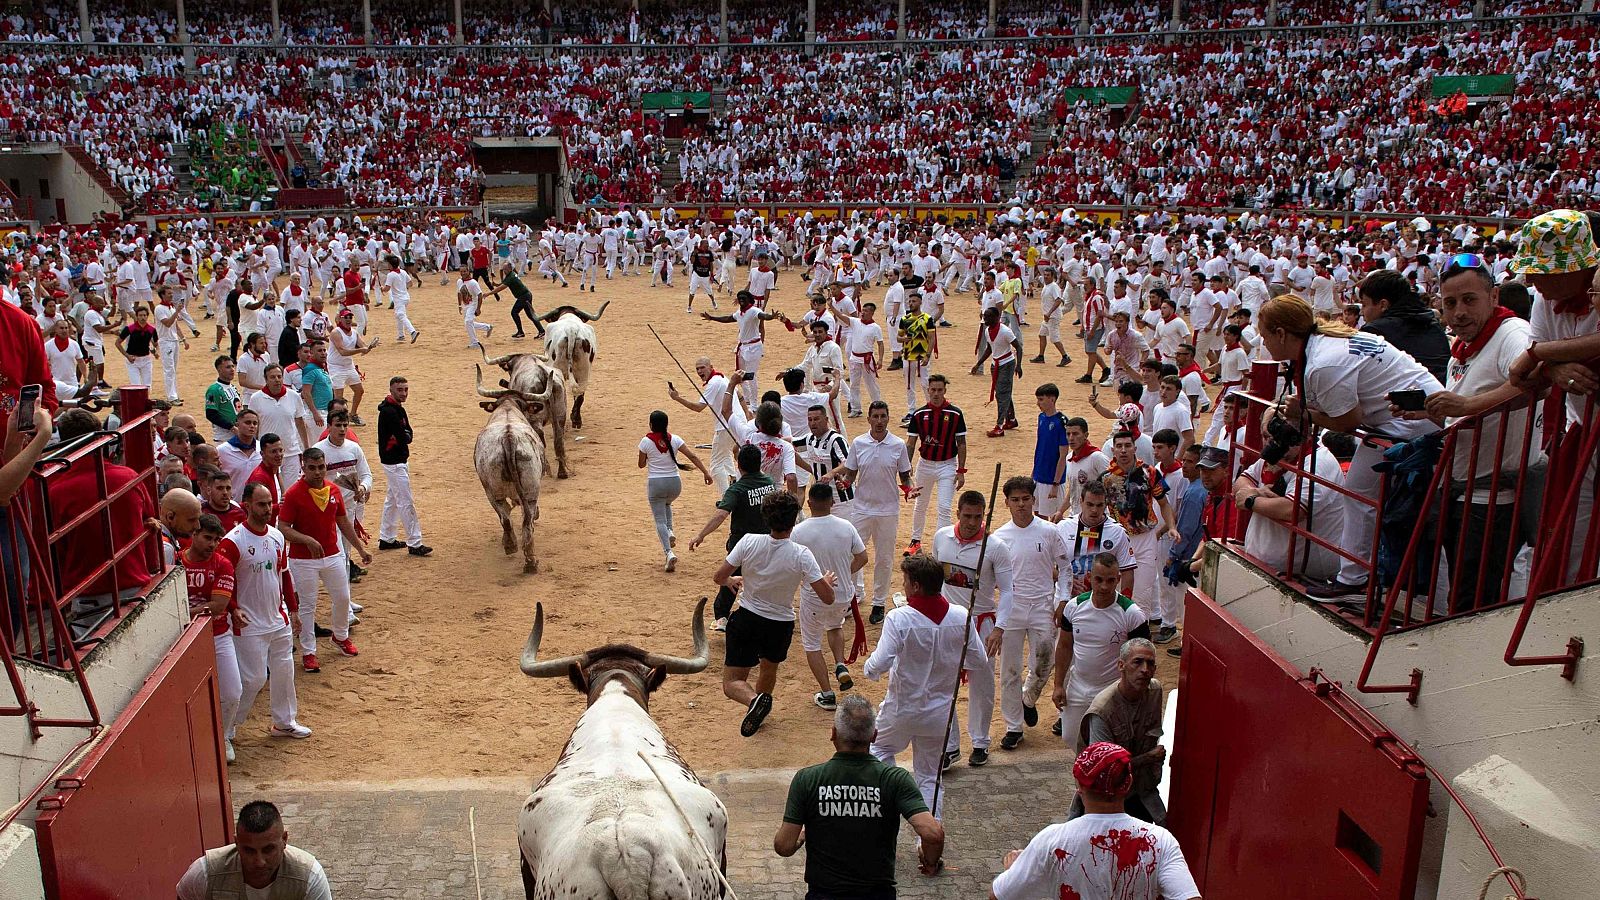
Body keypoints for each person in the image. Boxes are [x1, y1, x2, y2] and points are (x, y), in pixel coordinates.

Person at [1262, 295, 1442, 598]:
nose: (1264, 343)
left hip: (1410, 424)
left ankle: (1355, 579)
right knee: (1375, 501)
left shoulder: (1322, 362)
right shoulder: (1327, 341)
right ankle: (1359, 576)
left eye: (1266, 335)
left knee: (1361, 496)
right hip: (1408, 419)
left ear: (1281, 333)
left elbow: (1346, 421)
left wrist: (1301, 413)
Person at [1403, 257, 1543, 611]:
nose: (1458, 312)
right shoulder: (1462, 350)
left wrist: (1464, 408)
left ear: (1494, 297)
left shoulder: (1512, 333)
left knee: (1474, 601)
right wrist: (1432, 412)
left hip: (1490, 498)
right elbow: (1469, 413)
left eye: (1469, 300)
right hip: (1462, 490)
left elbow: (1535, 381)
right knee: (1460, 592)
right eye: (1450, 303)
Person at [775, 695, 945, 894]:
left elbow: (783, 846)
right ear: (874, 736)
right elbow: (933, 834)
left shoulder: (807, 779)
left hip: (824, 894)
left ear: (833, 734)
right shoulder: (895, 779)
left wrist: (801, 838)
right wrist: (931, 862)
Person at [988, 743, 1199, 900]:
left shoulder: (1051, 840)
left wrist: (1014, 869)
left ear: (1079, 787)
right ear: (1128, 784)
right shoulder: (1159, 840)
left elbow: (998, 896)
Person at [864, 553, 988, 818]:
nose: (904, 586)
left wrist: (868, 669)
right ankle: (929, 839)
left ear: (917, 586)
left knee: (878, 750)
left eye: (907, 581)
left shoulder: (900, 618)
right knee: (930, 777)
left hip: (902, 708)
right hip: (939, 712)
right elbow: (978, 659)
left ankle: (891, 800)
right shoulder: (960, 615)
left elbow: (880, 662)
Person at [713, 491, 835, 736]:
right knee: (769, 669)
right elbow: (827, 597)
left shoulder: (748, 541)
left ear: (765, 517)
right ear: (794, 521)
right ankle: (760, 705)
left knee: (732, 682)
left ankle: (753, 702)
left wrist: (733, 580)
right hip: (780, 624)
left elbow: (719, 577)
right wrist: (827, 582)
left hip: (747, 617)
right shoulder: (801, 554)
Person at [219, 482, 312, 741]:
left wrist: (293, 610)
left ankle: (284, 722)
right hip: (248, 623)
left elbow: (284, 575)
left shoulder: (277, 536)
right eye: (261, 504)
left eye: (270, 503)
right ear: (247, 505)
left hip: (277, 618)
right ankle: (227, 729)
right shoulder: (233, 542)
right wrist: (234, 609)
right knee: (253, 680)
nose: (268, 509)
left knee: (284, 671)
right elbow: (222, 581)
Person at [931, 489, 1015, 768]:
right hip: (948, 622)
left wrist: (1000, 628)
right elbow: (935, 581)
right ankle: (950, 745)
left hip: (982, 623)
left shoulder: (995, 547)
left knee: (982, 684)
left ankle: (980, 741)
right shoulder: (941, 537)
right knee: (944, 682)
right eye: (967, 516)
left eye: (978, 518)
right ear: (958, 513)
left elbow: (1008, 591)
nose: (971, 523)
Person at [992, 475, 1069, 750]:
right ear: (1007, 503)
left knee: (1045, 662)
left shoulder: (1049, 532)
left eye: (1026, 499)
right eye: (1015, 500)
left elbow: (1065, 568)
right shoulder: (999, 538)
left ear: (1033, 500)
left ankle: (1027, 698)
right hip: (1012, 609)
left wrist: (1062, 600)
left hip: (1042, 607)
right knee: (1009, 669)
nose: (1021, 505)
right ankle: (1014, 726)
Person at [278, 446, 371, 673]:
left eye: (321, 468)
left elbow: (343, 522)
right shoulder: (292, 494)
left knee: (342, 598)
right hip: (303, 559)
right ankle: (309, 651)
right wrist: (307, 540)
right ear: (304, 468)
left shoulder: (333, 490)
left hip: (332, 554)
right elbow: (283, 527)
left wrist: (360, 549)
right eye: (312, 468)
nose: (317, 473)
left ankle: (340, 636)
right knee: (308, 606)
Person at [832, 401, 918, 625]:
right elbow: (850, 474)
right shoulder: (858, 443)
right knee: (853, 555)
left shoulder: (898, 445)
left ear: (888, 418)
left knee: (884, 558)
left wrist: (910, 488)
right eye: (876, 416)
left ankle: (879, 602)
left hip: (888, 510)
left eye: (883, 416)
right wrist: (845, 483)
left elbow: (905, 476)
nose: (879, 421)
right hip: (862, 509)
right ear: (869, 419)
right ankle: (849, 599)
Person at [1051, 552, 1151, 746]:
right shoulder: (1073, 607)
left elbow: (1143, 659)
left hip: (1111, 689)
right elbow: (1064, 646)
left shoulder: (1132, 614)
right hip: (1078, 687)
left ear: (1118, 580)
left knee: (1103, 746)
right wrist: (1058, 685)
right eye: (1099, 580)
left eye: (1110, 580)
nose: (1104, 586)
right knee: (1071, 738)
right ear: (1090, 577)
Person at [1234, 422, 1348, 584]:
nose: (1270, 443)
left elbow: (1292, 511)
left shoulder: (1318, 462)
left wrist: (1251, 501)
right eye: (1266, 437)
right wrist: (1256, 494)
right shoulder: (1278, 454)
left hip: (1303, 578)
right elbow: (1241, 482)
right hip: (1268, 567)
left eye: (1276, 437)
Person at [1068, 638, 1167, 824]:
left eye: (1150, 663)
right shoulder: (1103, 710)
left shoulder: (1155, 691)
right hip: (1104, 800)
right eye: (1137, 662)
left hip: (1140, 790)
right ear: (1121, 665)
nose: (1145, 669)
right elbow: (1103, 769)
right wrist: (1148, 758)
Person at [791, 482, 868, 710]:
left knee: (812, 644)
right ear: (833, 503)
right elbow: (862, 558)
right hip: (844, 594)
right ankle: (840, 663)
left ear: (809, 502)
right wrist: (844, 572)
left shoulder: (799, 531)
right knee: (835, 626)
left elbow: (792, 564)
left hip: (815, 596)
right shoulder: (846, 526)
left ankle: (827, 693)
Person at [691, 444, 781, 632]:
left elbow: (720, 515)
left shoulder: (737, 490)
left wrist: (701, 535)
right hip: (767, 540)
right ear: (760, 462)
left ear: (739, 465)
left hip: (742, 543)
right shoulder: (770, 483)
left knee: (729, 578)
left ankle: (722, 616)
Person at [176, 800, 331, 900]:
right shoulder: (205, 873)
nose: (259, 862)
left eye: (268, 849)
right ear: (236, 843)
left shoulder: (309, 875)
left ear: (284, 840)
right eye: (249, 851)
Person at [1100, 430, 1180, 621]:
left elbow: (1164, 504)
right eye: (1119, 446)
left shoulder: (1150, 473)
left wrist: (1171, 526)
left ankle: (1136, 637)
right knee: (1115, 591)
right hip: (1117, 539)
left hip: (1145, 539)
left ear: (1135, 448)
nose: (1124, 450)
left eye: (1127, 446)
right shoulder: (1105, 478)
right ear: (1113, 450)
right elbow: (1097, 509)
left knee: (1142, 594)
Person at [183, 513, 243, 763]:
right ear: (194, 534)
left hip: (217, 633)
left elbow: (218, 606)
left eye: (216, 540)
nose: (212, 544)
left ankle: (225, 735)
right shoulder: (176, 561)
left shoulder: (223, 564)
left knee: (232, 692)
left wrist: (180, 611)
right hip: (181, 639)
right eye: (207, 538)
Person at [639, 409, 713, 572]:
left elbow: (641, 464)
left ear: (651, 425)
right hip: (675, 484)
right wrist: (706, 473)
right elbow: (692, 456)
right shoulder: (675, 439)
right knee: (667, 504)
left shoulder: (645, 441)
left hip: (656, 484)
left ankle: (668, 553)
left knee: (659, 519)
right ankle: (670, 530)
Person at [904, 374, 968, 555]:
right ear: (928, 390)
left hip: (947, 465)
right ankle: (915, 541)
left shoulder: (955, 413)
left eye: (940, 390)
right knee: (920, 504)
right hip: (924, 464)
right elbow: (911, 443)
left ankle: (940, 546)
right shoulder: (919, 414)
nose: (936, 394)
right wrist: (906, 469)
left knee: (944, 507)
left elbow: (961, 443)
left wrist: (961, 470)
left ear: (945, 391)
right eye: (933, 390)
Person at [1358, 269, 1451, 384]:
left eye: (1364, 304)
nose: (1362, 312)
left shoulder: (1372, 332)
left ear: (1383, 305)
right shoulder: (1432, 324)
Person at [376, 376, 429, 556]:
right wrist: (405, 437)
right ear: (391, 390)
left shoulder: (396, 409)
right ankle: (415, 543)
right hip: (394, 462)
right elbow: (404, 437)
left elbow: (408, 435)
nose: (404, 393)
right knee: (405, 502)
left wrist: (405, 436)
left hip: (395, 460)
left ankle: (386, 537)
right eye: (400, 390)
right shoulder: (391, 412)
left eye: (406, 389)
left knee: (392, 500)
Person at [668, 356, 737, 491]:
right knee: (725, 452)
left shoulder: (713, 383)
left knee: (715, 466)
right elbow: (739, 396)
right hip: (735, 423)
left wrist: (677, 398)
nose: (699, 371)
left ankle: (726, 497)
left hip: (725, 426)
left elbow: (698, 407)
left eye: (702, 367)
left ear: (711, 367)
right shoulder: (722, 378)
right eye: (697, 369)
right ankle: (733, 477)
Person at [247, 365, 314, 485]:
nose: (277, 380)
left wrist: (306, 446)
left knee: (290, 490)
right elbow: (254, 425)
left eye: (279, 376)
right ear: (266, 379)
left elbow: (300, 422)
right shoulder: (255, 398)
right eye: (272, 377)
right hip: (268, 454)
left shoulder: (294, 396)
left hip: (291, 451)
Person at [972, 306, 1021, 437]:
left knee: (1001, 393)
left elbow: (1018, 347)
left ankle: (999, 425)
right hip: (996, 364)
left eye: (987, 316)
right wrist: (978, 363)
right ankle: (1010, 419)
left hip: (1007, 364)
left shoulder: (1005, 331)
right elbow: (989, 348)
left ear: (996, 317)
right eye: (984, 316)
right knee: (1003, 392)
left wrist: (1019, 365)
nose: (985, 319)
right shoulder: (988, 331)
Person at [328, 308, 376, 425]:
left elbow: (363, 348)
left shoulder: (354, 333)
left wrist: (369, 347)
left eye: (350, 317)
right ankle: (337, 420)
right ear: (340, 319)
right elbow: (342, 351)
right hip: (336, 367)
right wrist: (361, 349)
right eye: (346, 317)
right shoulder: (336, 332)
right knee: (338, 397)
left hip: (348, 366)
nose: (349, 319)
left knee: (359, 391)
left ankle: (352, 414)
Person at [1031, 384, 1071, 519]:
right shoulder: (1041, 418)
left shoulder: (1062, 422)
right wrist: (1034, 473)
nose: (1038, 403)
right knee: (1037, 514)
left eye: (1041, 400)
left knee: (1054, 518)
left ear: (1052, 399)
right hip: (1038, 475)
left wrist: (1056, 483)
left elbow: (1063, 455)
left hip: (1051, 479)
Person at [217, 409, 262, 502]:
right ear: (237, 424)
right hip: (233, 504)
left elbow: (276, 474)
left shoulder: (262, 448)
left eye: (255, 423)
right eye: (247, 423)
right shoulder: (222, 450)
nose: (252, 426)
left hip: (259, 503)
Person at [115, 303, 157, 387]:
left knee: (147, 386)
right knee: (136, 386)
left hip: (146, 360)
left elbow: (155, 344)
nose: (143, 317)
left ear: (147, 316)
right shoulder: (129, 329)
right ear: (137, 316)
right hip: (132, 360)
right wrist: (127, 355)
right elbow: (117, 343)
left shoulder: (152, 330)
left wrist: (154, 351)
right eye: (140, 315)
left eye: (144, 315)